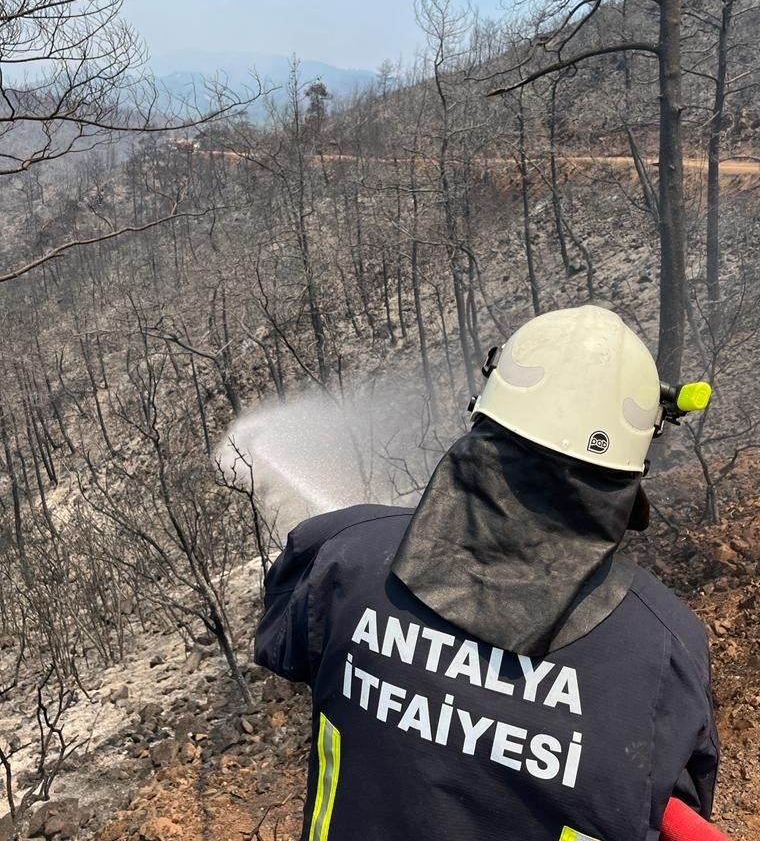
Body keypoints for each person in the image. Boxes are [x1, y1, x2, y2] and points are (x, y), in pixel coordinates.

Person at [254, 305, 719, 841]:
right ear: (633, 460)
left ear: (487, 410)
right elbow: (675, 810)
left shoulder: (343, 554)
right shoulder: (664, 649)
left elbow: (283, 641)